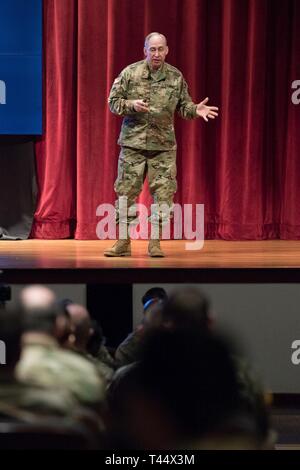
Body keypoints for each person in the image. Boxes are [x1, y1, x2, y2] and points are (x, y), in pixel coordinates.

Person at [104, 32, 218, 258]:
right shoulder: (130, 73)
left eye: (160, 49)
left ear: (167, 50)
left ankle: (155, 243)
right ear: (145, 50)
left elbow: (184, 108)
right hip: (133, 145)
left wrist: (195, 109)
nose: (156, 54)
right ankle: (123, 241)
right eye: (152, 49)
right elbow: (113, 103)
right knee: (126, 193)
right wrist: (131, 105)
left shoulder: (176, 77)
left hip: (163, 148)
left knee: (163, 196)